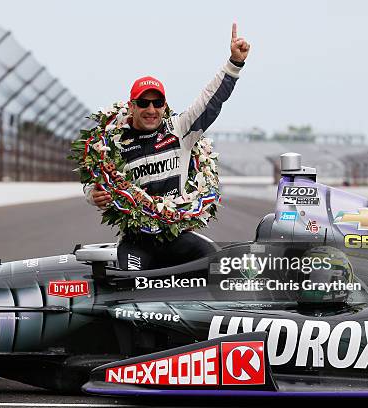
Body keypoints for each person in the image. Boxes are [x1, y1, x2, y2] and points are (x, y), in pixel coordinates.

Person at [85, 23, 250, 271]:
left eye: (157, 102)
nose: (151, 110)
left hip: (178, 235)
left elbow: (211, 99)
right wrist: (93, 196)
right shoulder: (112, 143)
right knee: (128, 286)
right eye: (144, 103)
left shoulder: (181, 129)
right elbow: (93, 180)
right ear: (132, 106)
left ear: (164, 105)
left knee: (221, 271)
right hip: (137, 242)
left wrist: (234, 64)